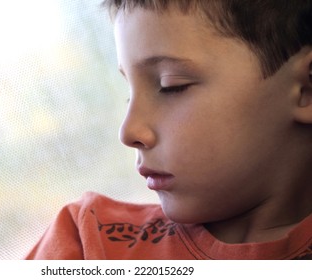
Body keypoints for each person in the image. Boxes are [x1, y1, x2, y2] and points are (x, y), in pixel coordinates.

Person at [25, 0, 312, 259]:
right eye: (129, 93)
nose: (129, 131)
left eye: (170, 86)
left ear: (306, 89)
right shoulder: (87, 243)